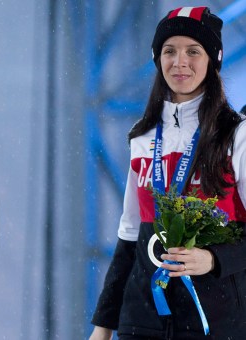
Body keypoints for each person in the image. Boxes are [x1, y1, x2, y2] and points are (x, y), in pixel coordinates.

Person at [90, 6, 246, 339]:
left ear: (213, 60)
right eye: (169, 51)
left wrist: (213, 259)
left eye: (193, 51)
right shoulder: (142, 135)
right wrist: (104, 325)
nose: (180, 62)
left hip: (214, 321)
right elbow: (130, 235)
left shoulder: (236, 135)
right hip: (142, 321)